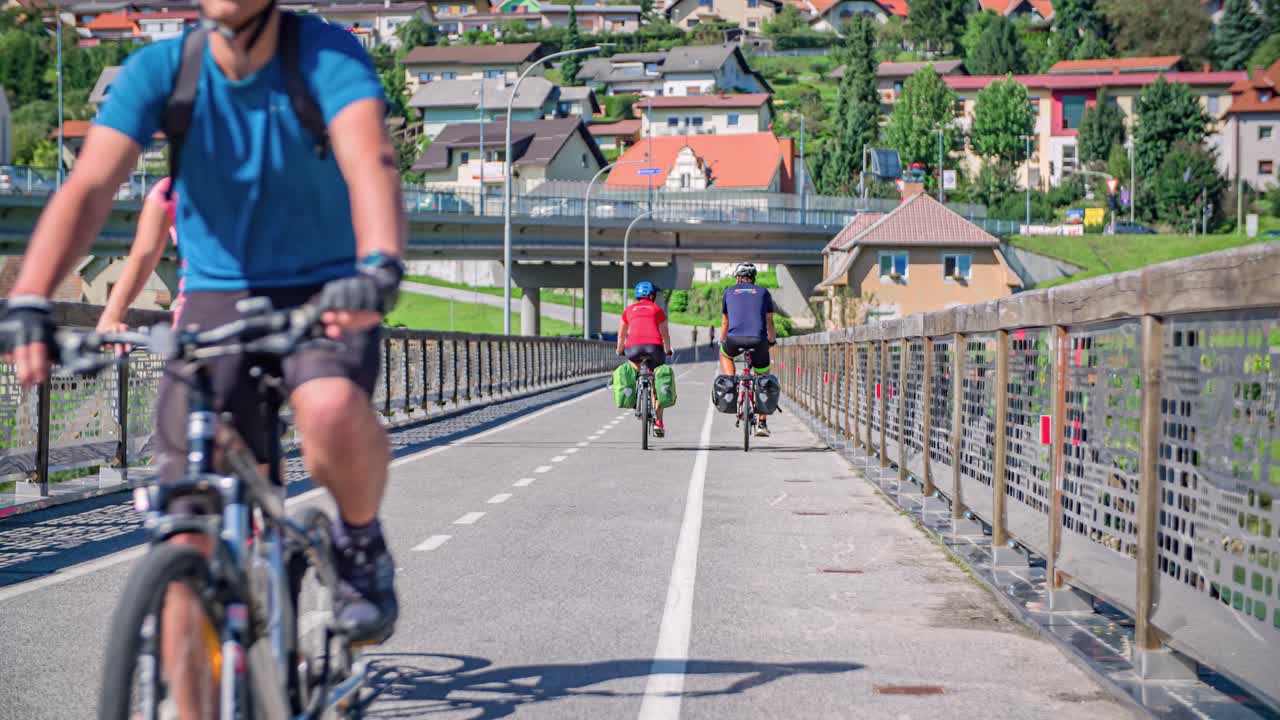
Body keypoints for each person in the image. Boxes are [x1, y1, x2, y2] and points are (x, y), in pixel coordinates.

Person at [0, 0, 406, 714]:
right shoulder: (164, 68)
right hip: (218, 294)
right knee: (185, 530)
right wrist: (31, 297)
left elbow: (369, 158)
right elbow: (90, 185)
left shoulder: (325, 56)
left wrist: (379, 265)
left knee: (331, 407)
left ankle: (360, 542)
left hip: (327, 287)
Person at [97, 176, 185, 334]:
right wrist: (111, 317)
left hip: (200, 315)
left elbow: (144, 258)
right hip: (201, 313)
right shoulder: (172, 189)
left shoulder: (172, 189)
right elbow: (143, 258)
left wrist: (111, 317)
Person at [719, 262, 777, 437]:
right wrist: (771, 341)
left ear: (737, 278)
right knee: (763, 378)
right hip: (758, 340)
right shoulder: (764, 292)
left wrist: (722, 340)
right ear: (753, 278)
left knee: (724, 354)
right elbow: (769, 322)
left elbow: (725, 322)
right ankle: (762, 423)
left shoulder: (729, 292)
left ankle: (731, 382)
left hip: (734, 339)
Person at [617, 281, 673, 436]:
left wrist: (620, 349)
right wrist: (668, 350)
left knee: (633, 366)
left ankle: (634, 393)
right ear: (652, 296)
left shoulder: (628, 310)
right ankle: (659, 422)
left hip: (633, 349)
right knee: (657, 378)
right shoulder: (657, 310)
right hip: (654, 348)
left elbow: (622, 334)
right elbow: (665, 333)